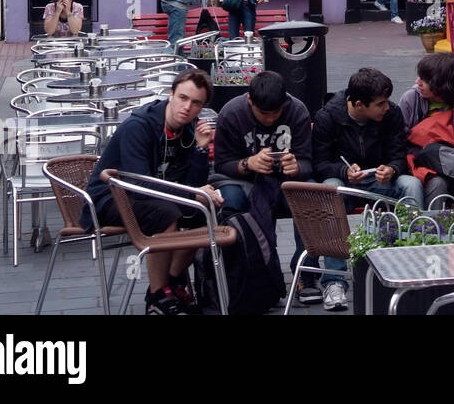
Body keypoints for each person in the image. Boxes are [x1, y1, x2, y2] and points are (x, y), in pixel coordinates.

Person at [85, 69, 220, 314]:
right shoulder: (141, 126)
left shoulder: (188, 131)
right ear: (171, 95)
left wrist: (201, 151)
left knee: (204, 214)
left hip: (151, 197)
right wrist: (192, 194)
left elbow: (190, 183)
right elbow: (141, 187)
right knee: (165, 213)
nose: (187, 107)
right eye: (183, 98)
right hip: (109, 197)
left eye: (196, 103)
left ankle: (171, 280)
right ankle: (158, 295)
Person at [310, 68, 423, 310]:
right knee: (330, 189)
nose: (386, 107)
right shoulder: (327, 117)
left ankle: (415, 262)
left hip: (379, 181)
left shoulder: (391, 114)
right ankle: (334, 280)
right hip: (345, 183)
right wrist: (343, 172)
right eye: (380, 104)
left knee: (411, 185)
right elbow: (319, 164)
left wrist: (392, 169)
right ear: (359, 104)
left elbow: (400, 156)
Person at [209, 70, 318, 303]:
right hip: (243, 180)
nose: (269, 119)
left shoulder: (297, 110)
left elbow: (309, 162)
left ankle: (306, 273)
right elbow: (221, 165)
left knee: (307, 193)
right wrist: (248, 163)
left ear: (285, 102)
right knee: (233, 200)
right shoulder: (231, 113)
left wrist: (296, 166)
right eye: (263, 113)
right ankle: (249, 273)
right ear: (250, 101)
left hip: (286, 181)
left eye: (275, 113)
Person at [398, 52, 454, 207]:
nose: (417, 82)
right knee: (437, 182)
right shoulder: (411, 99)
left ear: (441, 85)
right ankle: (431, 228)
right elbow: (400, 142)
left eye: (424, 80)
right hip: (426, 166)